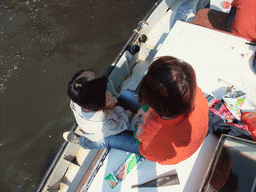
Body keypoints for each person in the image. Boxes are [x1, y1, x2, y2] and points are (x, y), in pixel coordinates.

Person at [133, 56, 209, 165]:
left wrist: (136, 127)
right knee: (126, 95)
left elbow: (143, 149)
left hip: (156, 150)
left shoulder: (152, 139)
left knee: (108, 141)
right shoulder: (196, 93)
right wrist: (146, 109)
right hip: (190, 145)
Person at [63, 70, 139, 154]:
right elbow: (123, 124)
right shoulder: (105, 124)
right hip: (103, 131)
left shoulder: (76, 97)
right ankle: (83, 141)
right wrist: (121, 110)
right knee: (109, 140)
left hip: (96, 118)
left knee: (126, 94)